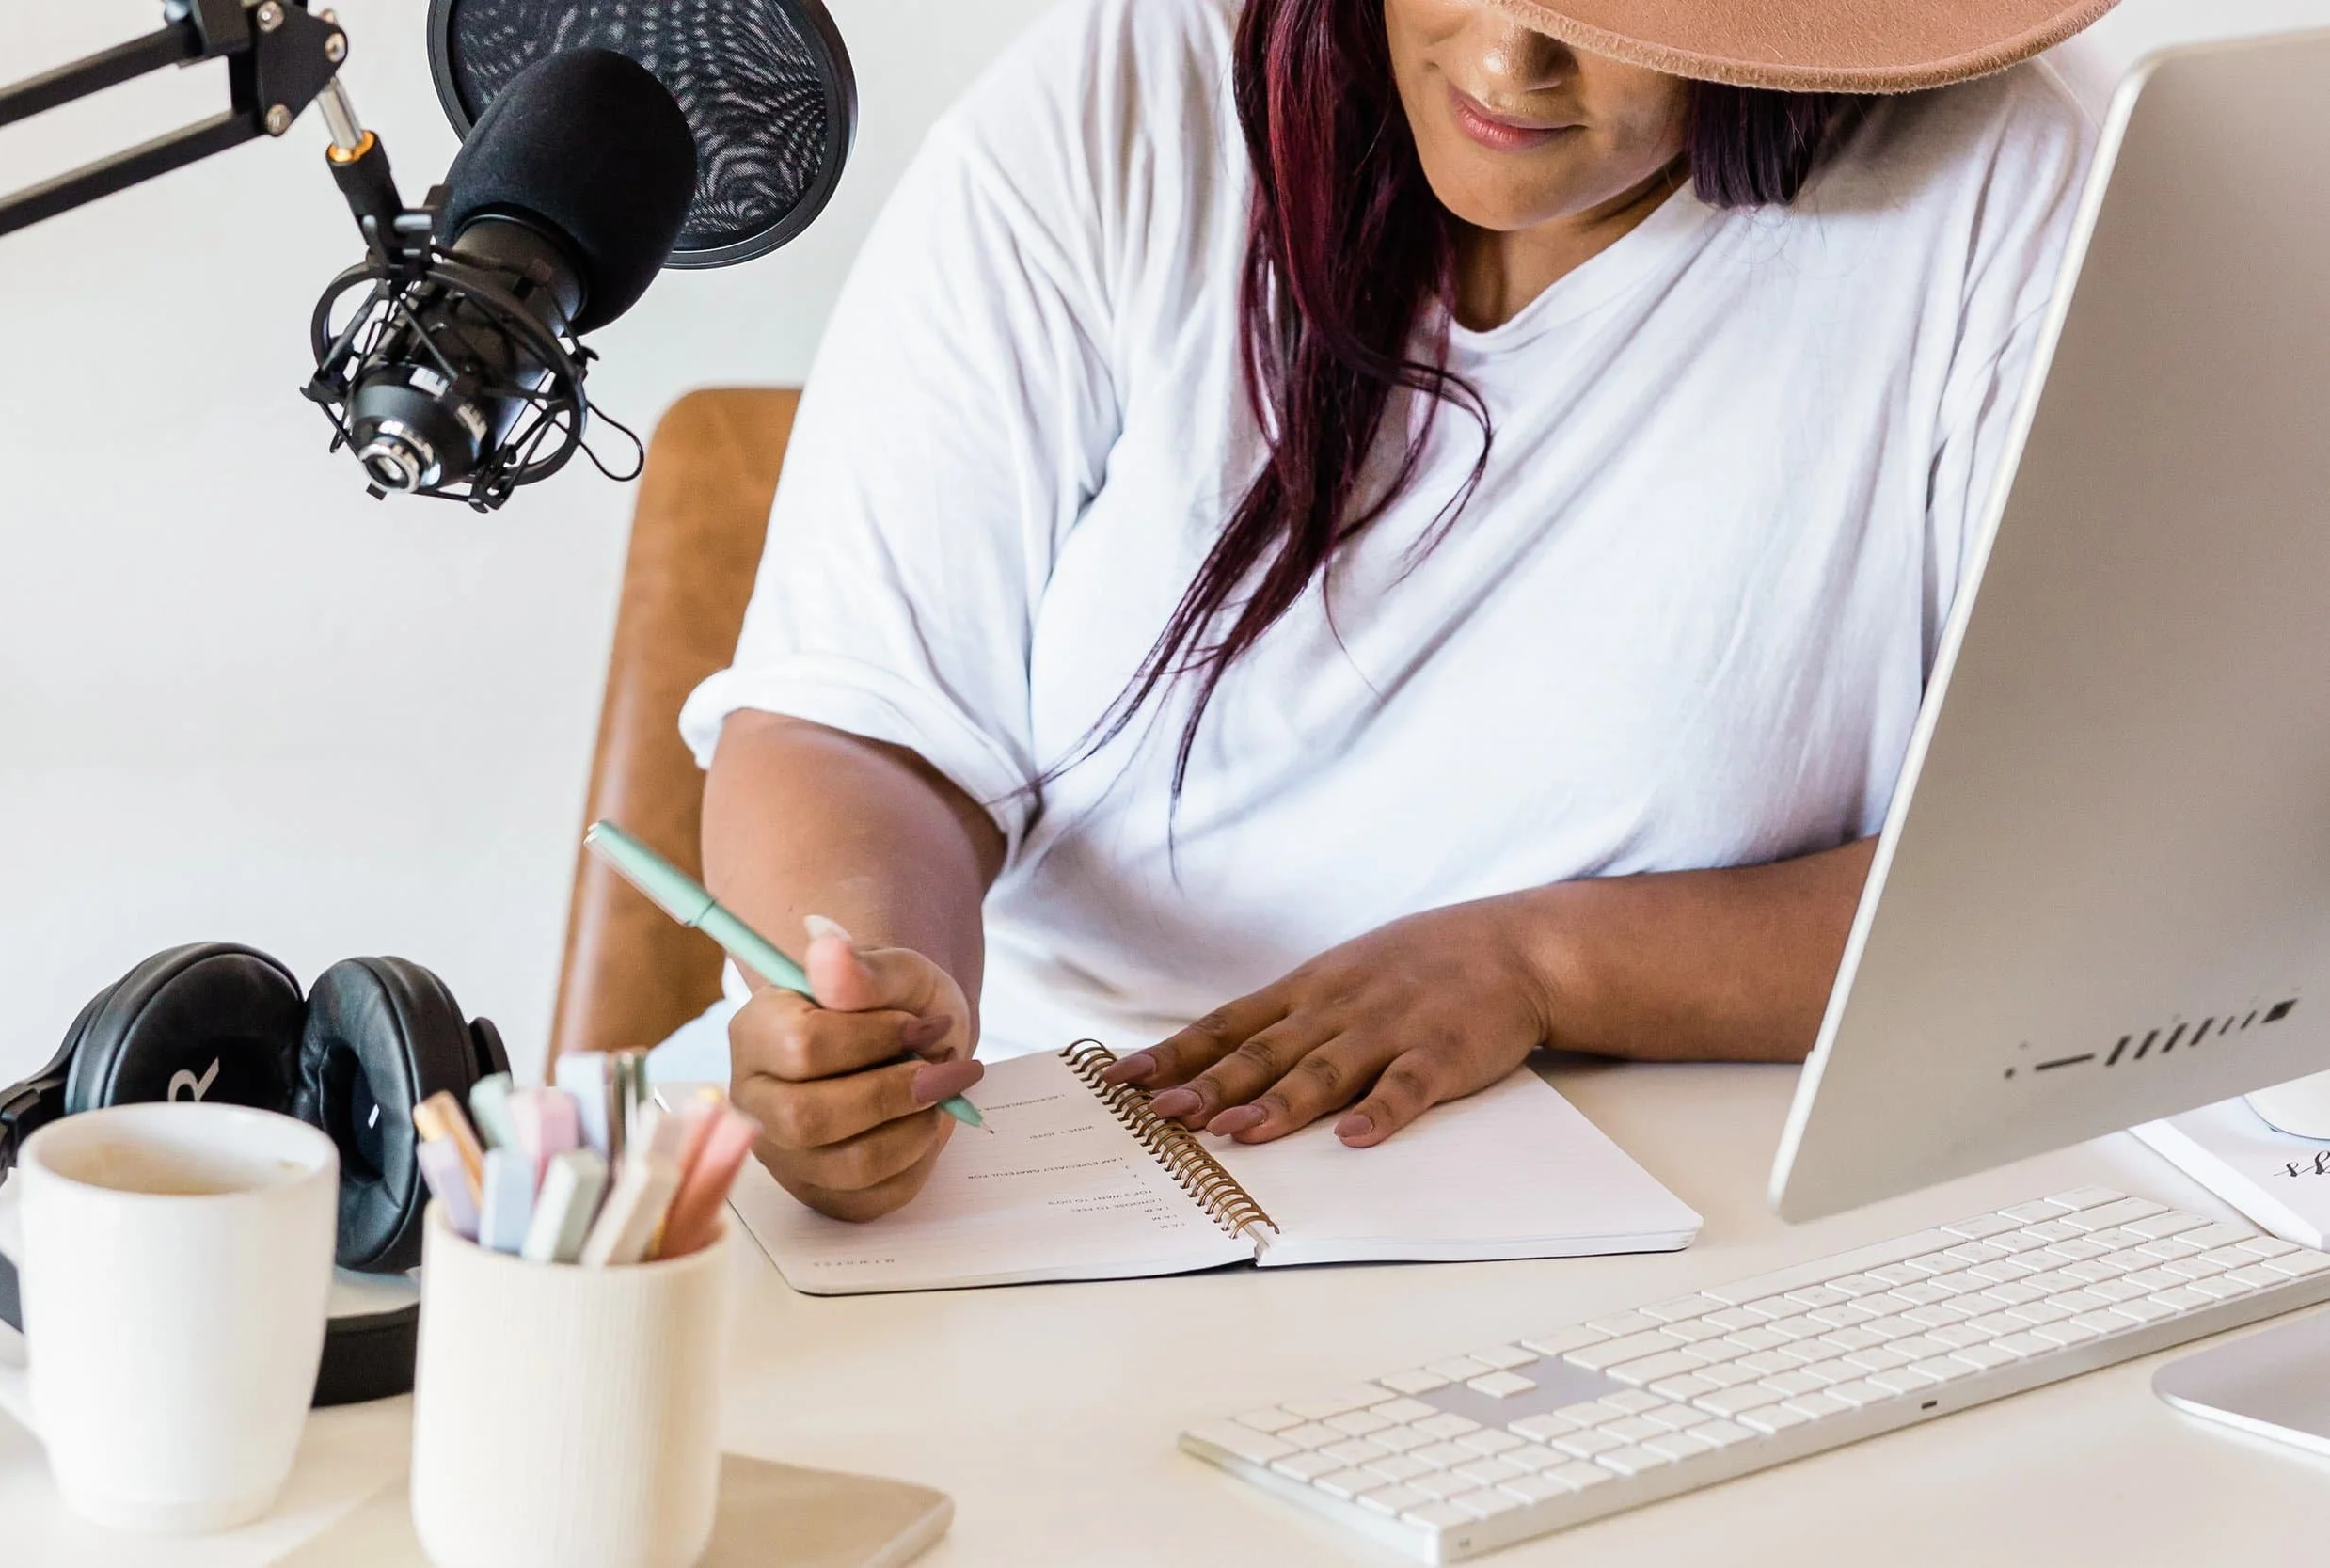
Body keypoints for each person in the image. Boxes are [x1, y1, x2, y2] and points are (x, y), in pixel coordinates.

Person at [658, 0, 2118, 1220]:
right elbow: (862, 714)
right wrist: (857, 1006)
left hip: (1650, 1210)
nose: (1508, 64)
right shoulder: (1121, 103)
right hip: (1032, 1159)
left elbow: (2074, 873)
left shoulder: (2019, 188)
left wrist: (1542, 963)